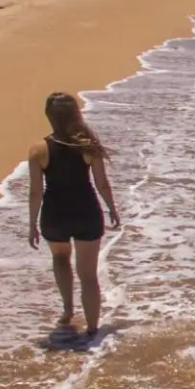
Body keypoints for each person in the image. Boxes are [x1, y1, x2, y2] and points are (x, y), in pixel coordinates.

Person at [27, 92, 121, 336]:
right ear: (75, 115)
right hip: (85, 211)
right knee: (88, 275)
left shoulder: (39, 149)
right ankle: (92, 329)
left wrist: (32, 224)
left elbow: (35, 192)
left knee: (60, 260)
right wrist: (112, 208)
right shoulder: (87, 145)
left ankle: (68, 310)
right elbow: (102, 183)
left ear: (49, 116)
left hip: (55, 213)